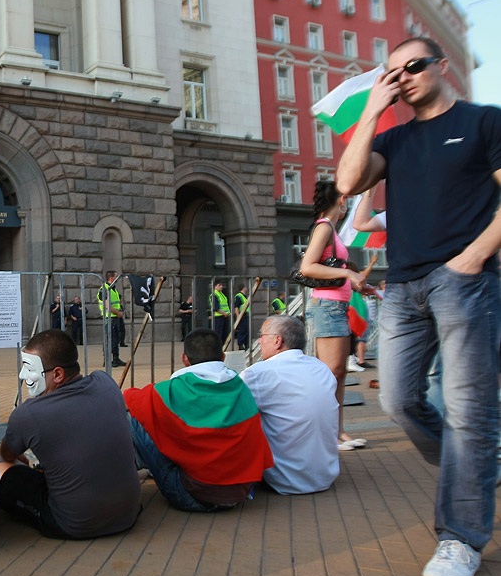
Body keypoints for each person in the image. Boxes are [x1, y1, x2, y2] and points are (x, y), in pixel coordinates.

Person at [336, 35, 501, 576]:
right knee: (401, 400)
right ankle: (475, 465)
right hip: (403, 287)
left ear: (441, 66)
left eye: (412, 66)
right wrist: (373, 112)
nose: (402, 76)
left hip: (464, 282)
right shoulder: (396, 137)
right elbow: (347, 182)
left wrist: (475, 256)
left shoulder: (484, 123)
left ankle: (461, 536)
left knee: (467, 409)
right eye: (392, 72)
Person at [0, 330, 141, 539]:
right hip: (128, 512)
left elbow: (7, 455)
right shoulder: (105, 382)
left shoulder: (29, 413)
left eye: (28, 368)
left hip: (73, 522)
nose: (22, 376)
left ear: (57, 375)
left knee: (0, 470)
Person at [123, 329, 273, 512]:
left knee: (135, 418)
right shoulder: (241, 387)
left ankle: (122, 481)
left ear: (185, 359)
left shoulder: (171, 389)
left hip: (190, 496)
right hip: (239, 492)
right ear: (223, 357)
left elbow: (127, 399)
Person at [300, 180, 370, 452]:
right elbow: (308, 267)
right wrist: (347, 273)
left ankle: (337, 432)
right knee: (331, 374)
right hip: (327, 308)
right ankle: (328, 433)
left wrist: (359, 284)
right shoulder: (324, 227)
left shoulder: (331, 229)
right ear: (340, 200)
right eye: (347, 199)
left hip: (336, 307)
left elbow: (329, 268)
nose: (348, 204)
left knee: (338, 374)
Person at [241, 316, 339, 495]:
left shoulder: (258, 373)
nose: (260, 340)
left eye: (262, 335)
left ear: (278, 340)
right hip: (325, 475)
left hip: (283, 479)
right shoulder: (320, 367)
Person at [98, 271, 125, 367]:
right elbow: (107, 306)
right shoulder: (104, 289)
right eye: (116, 277)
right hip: (109, 318)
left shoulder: (113, 289)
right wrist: (118, 313)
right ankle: (108, 360)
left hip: (115, 318)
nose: (117, 279)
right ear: (112, 278)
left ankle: (116, 358)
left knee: (115, 339)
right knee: (109, 339)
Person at [210, 280, 230, 347]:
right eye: (219, 285)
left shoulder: (222, 294)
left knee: (224, 334)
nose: (221, 286)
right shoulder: (214, 295)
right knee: (218, 334)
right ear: (215, 286)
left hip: (224, 317)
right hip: (218, 317)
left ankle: (222, 348)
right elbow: (216, 308)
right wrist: (224, 313)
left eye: (222, 285)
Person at [233, 284, 251, 351]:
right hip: (242, 315)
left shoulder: (245, 296)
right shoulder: (239, 296)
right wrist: (238, 316)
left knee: (246, 330)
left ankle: (246, 345)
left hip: (246, 315)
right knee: (242, 330)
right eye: (246, 287)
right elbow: (236, 307)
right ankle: (241, 344)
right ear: (244, 288)